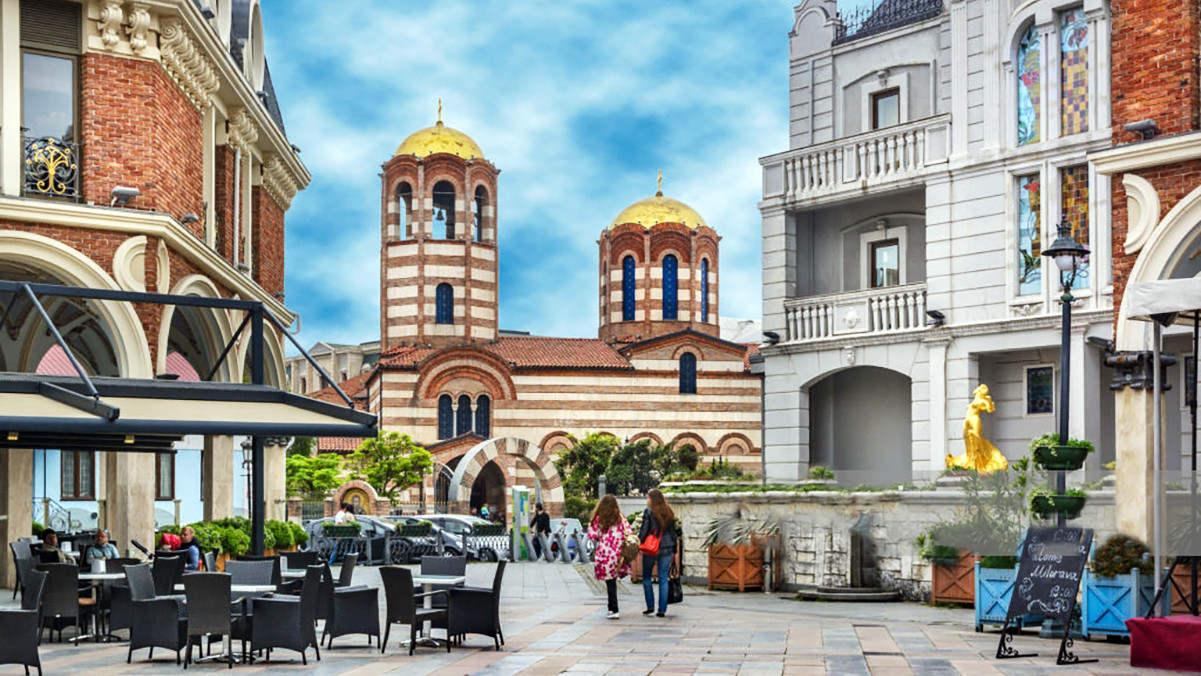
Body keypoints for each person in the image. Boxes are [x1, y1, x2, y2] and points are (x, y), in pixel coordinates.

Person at [587, 495, 632, 619]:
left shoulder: (599, 519)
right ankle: (612, 607)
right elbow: (629, 532)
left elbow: (592, 535)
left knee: (610, 582)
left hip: (605, 554)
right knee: (613, 581)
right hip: (618, 554)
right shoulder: (620, 518)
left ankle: (613, 608)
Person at [639, 488, 677, 617]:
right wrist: (675, 549)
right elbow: (673, 532)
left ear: (652, 499)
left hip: (651, 548)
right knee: (663, 578)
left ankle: (650, 606)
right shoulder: (668, 512)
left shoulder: (648, 512)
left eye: (648, 497)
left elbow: (644, 530)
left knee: (646, 577)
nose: (647, 500)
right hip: (667, 547)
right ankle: (662, 609)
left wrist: (639, 542)